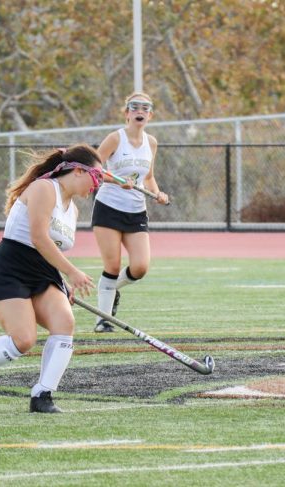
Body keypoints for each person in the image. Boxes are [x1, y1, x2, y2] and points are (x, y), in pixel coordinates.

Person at [0, 144, 101, 413]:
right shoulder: (45, 189)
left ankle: (42, 395)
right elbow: (39, 238)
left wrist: (62, 284)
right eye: (97, 177)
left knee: (64, 322)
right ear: (78, 171)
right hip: (12, 265)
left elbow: (51, 248)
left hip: (44, 271)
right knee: (23, 340)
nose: (97, 185)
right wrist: (72, 272)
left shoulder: (73, 210)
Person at [91, 92, 169, 332]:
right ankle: (102, 319)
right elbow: (93, 169)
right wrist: (116, 181)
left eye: (145, 108)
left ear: (150, 115)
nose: (140, 111)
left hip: (136, 211)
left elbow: (149, 177)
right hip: (109, 208)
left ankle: (111, 290)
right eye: (134, 107)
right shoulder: (115, 138)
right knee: (112, 266)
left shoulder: (151, 142)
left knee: (140, 267)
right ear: (127, 113)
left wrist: (158, 193)